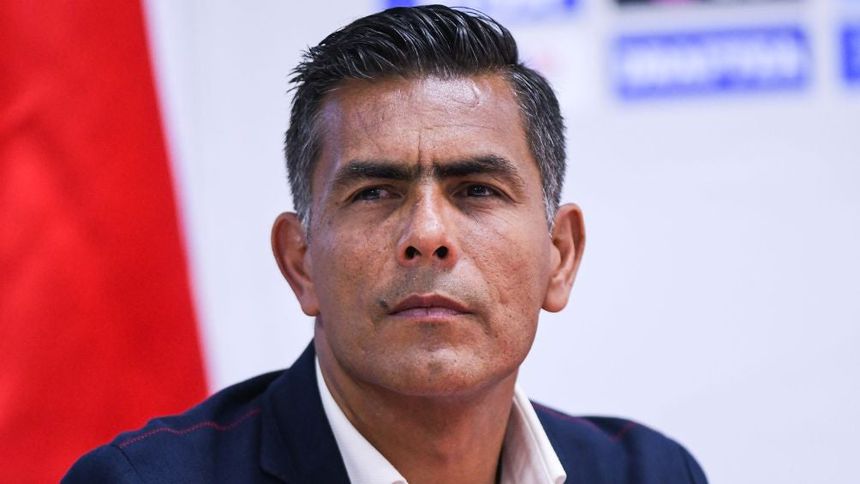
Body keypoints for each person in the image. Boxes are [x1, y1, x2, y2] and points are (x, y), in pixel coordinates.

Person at [64, 5, 707, 483]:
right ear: (300, 263)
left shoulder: (650, 474)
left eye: (477, 190)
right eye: (375, 192)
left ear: (560, 256)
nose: (427, 235)